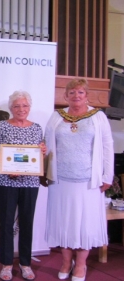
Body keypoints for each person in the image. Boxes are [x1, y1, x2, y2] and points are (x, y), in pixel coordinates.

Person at [44, 78, 114, 281]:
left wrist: (107, 176)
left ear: (87, 95)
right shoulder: (56, 117)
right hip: (60, 181)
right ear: (66, 96)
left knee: (84, 224)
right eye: (72, 93)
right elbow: (47, 146)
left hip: (88, 182)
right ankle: (66, 262)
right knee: (64, 223)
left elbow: (108, 148)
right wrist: (44, 172)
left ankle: (81, 265)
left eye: (80, 93)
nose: (76, 96)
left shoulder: (98, 117)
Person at [0, 91, 46, 281]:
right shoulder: (3, 127)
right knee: (6, 223)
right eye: (17, 106)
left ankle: (25, 263)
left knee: (27, 222)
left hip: (30, 182)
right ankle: (6, 264)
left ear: (29, 107)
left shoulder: (37, 128)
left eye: (24, 106)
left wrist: (43, 151)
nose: (21, 109)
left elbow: (38, 153)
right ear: (10, 109)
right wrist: (8, 166)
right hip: (7, 181)